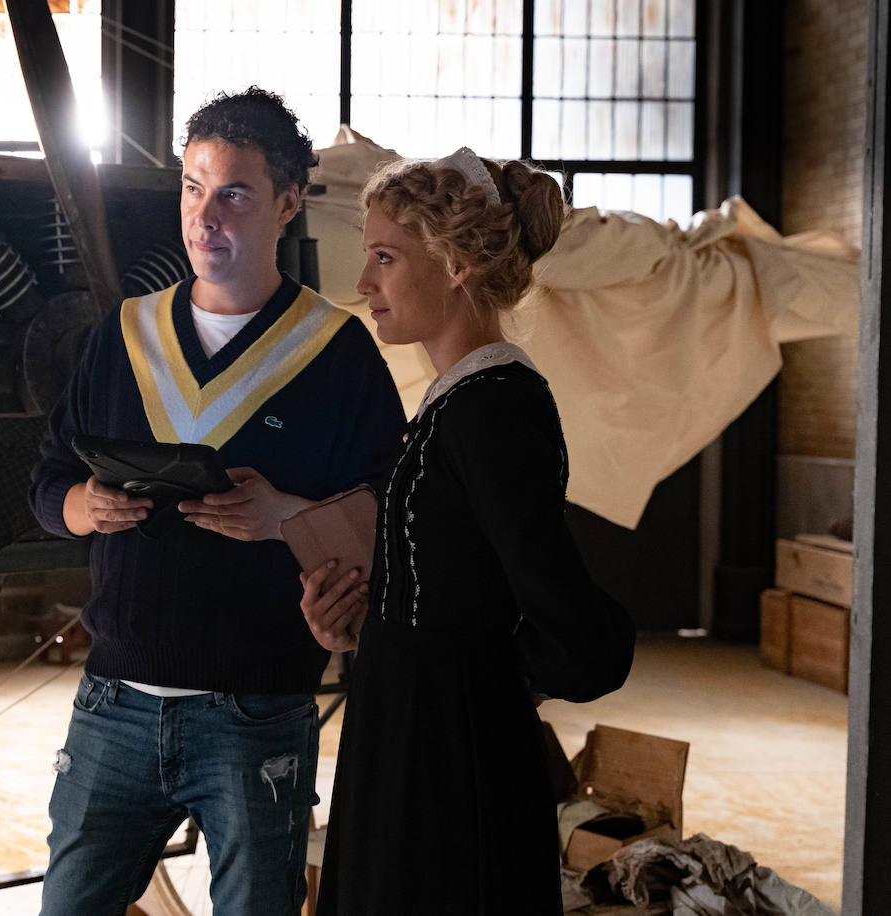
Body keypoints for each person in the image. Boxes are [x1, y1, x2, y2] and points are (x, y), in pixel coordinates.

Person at [29, 87, 406, 915]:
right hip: (114, 700)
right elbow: (48, 485)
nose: (206, 216)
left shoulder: (336, 352)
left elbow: (393, 507)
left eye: (234, 193)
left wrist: (285, 518)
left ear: (287, 203)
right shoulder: (121, 337)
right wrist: (88, 507)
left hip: (258, 706)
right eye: (193, 188)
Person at [299, 150, 635, 914]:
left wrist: (459, 675)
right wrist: (361, 624)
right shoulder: (456, 402)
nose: (363, 285)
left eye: (385, 258)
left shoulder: (496, 407)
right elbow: (454, 587)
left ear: (454, 264)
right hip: (407, 739)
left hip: (450, 769)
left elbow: (567, 623)